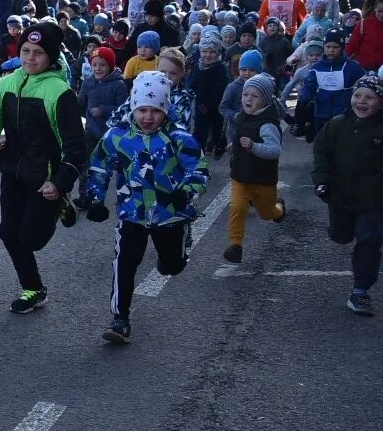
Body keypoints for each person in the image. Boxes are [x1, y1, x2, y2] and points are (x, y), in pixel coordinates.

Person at [75, 71, 207, 343]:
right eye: (142, 110)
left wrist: (187, 191)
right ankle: (120, 319)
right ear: (133, 107)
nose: (148, 117)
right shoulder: (117, 137)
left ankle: (175, 252)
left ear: (165, 109)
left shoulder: (179, 138)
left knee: (172, 266)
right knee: (125, 261)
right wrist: (97, 198)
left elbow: (197, 169)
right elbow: (99, 167)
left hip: (169, 213)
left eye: (156, 110)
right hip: (132, 212)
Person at [0, 22, 88, 314]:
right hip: (13, 172)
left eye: (38, 53)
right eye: (26, 50)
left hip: (46, 178)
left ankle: (60, 203)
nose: (30, 58)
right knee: (8, 234)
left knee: (31, 239)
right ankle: (34, 289)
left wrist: (61, 182)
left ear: (51, 57)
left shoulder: (60, 91)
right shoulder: (5, 83)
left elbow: (76, 147)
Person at [314, 74, 383, 317]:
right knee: (341, 236)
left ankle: (361, 291)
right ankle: (339, 229)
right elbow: (321, 153)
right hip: (341, 196)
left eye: (370, 97)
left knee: (369, 240)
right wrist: (321, 181)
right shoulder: (336, 125)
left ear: (381, 102)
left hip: (374, 200)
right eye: (357, 95)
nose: (361, 101)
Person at [221, 73, 286, 264]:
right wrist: (234, 146)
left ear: (265, 100)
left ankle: (279, 209)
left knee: (266, 214)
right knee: (237, 207)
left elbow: (274, 151)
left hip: (262, 178)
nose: (248, 99)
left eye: (254, 96)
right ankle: (235, 246)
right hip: (240, 175)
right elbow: (241, 137)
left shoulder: (268, 124)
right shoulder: (242, 116)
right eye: (245, 94)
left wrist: (253, 146)